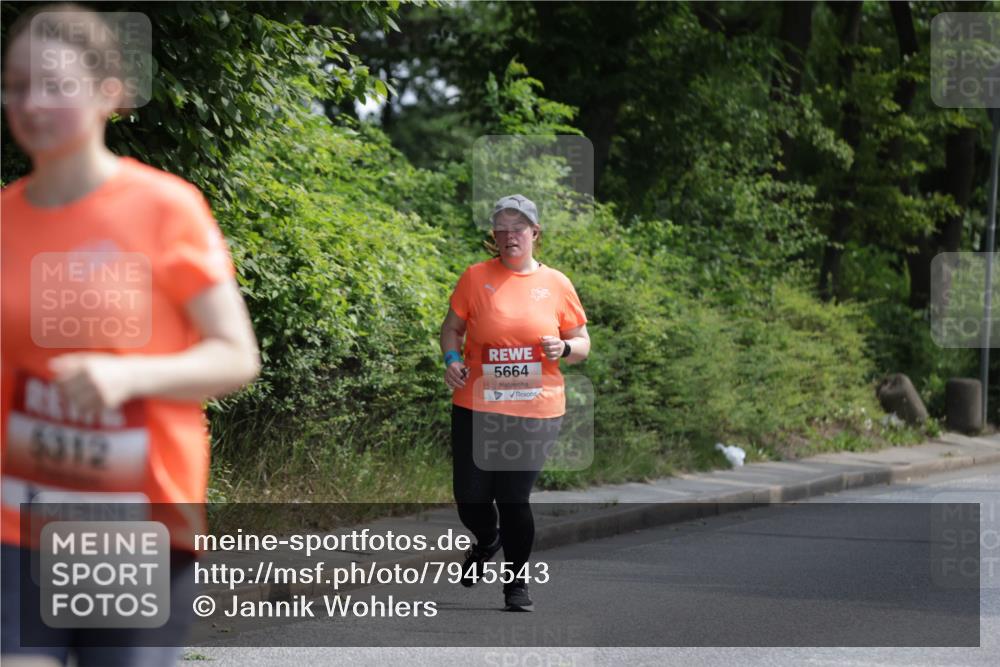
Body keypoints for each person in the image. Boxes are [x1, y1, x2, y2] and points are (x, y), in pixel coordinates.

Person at [1, 5, 260, 665]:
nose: (30, 102)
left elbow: (236, 355)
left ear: (108, 92)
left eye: (54, 85)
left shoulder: (164, 208)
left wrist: (128, 375)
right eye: (16, 83)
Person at [440, 194, 590, 611]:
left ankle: (516, 585)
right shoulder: (474, 278)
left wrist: (563, 347)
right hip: (476, 402)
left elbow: (583, 344)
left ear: (535, 233)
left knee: (513, 497)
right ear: (494, 235)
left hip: (535, 408)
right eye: (502, 228)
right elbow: (451, 330)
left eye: (518, 227)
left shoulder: (556, 284)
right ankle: (487, 538)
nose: (509, 235)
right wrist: (452, 359)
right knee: (470, 498)